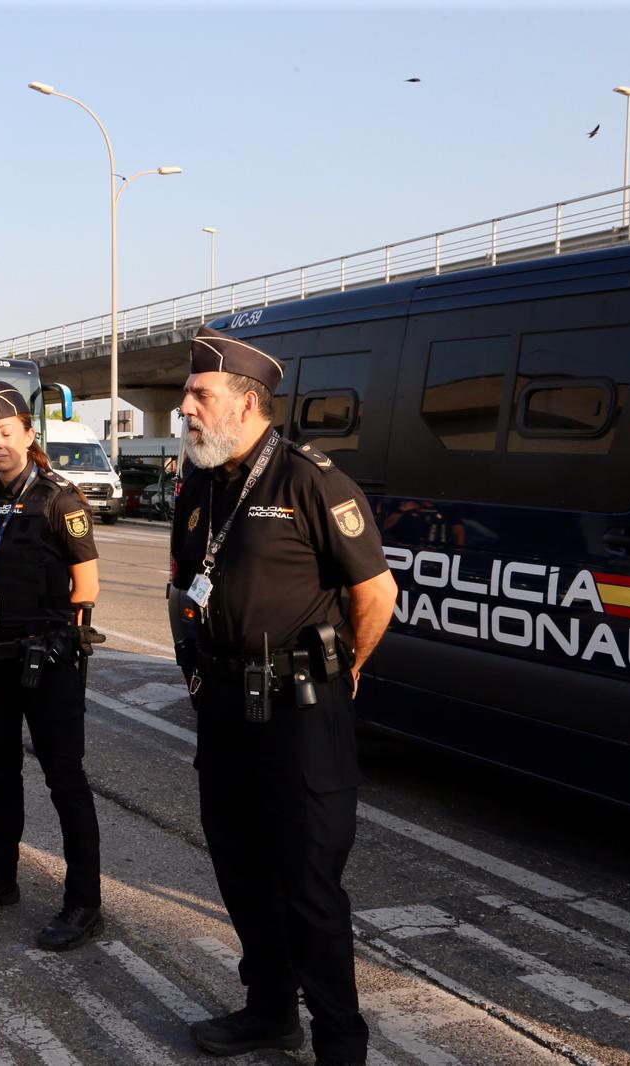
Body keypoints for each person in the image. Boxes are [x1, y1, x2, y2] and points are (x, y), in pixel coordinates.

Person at [166, 326, 398, 1066]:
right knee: (241, 870)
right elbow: (182, 585)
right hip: (228, 711)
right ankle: (270, 1012)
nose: (185, 407)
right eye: (185, 394)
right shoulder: (199, 481)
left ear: (247, 400)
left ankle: (341, 1044)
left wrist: (347, 669)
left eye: (200, 395)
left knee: (309, 888)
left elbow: (376, 591)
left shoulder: (310, 479)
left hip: (301, 712)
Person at [0, 381, 106, 951]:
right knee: (2, 772)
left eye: (6, 433)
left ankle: (84, 902)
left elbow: (86, 584)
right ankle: (0, 876)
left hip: (48, 660)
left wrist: (65, 639)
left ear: (29, 435)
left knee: (66, 779)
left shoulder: (60, 498)